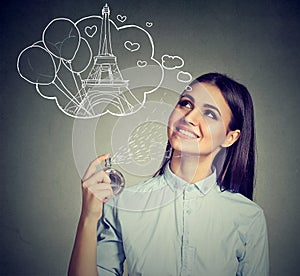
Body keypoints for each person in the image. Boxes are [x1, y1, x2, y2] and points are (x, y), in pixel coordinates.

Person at [68, 73, 269, 276]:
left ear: (230, 137)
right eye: (185, 104)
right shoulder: (123, 204)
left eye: (210, 114)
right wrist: (88, 217)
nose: (189, 118)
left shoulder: (248, 217)